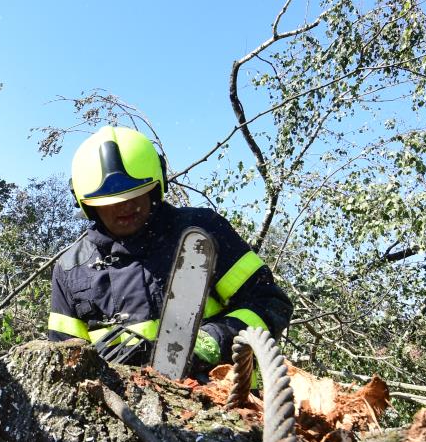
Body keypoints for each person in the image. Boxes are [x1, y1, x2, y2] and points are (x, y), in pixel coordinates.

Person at [47, 125, 291, 368]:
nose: (124, 207)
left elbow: (269, 302)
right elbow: (65, 360)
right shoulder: (71, 270)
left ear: (157, 186)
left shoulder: (201, 233)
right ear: (87, 204)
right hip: (120, 403)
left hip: (224, 397)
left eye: (135, 194)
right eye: (110, 202)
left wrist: (206, 345)